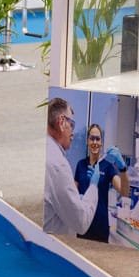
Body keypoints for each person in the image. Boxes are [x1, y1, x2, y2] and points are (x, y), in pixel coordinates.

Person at [43, 97, 97, 236]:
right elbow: (81, 222)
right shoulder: (58, 164)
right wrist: (93, 186)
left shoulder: (45, 151)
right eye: (71, 124)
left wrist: (76, 200)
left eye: (98, 138)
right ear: (61, 122)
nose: (73, 132)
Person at [73, 123, 130, 243]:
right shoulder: (80, 165)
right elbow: (73, 193)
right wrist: (78, 198)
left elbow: (124, 192)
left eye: (97, 139)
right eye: (92, 138)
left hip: (101, 228)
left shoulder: (108, 167)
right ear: (87, 141)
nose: (95, 142)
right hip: (83, 226)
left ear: (101, 142)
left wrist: (123, 168)